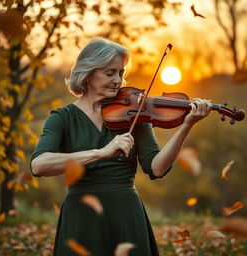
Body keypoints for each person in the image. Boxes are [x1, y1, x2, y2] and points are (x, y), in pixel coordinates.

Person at [30, 38, 212, 256]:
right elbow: (39, 165)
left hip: (126, 214)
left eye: (120, 72)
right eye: (110, 73)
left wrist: (186, 125)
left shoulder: (134, 114)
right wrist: (101, 152)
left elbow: (157, 168)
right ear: (88, 73)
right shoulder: (62, 118)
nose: (118, 80)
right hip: (81, 216)